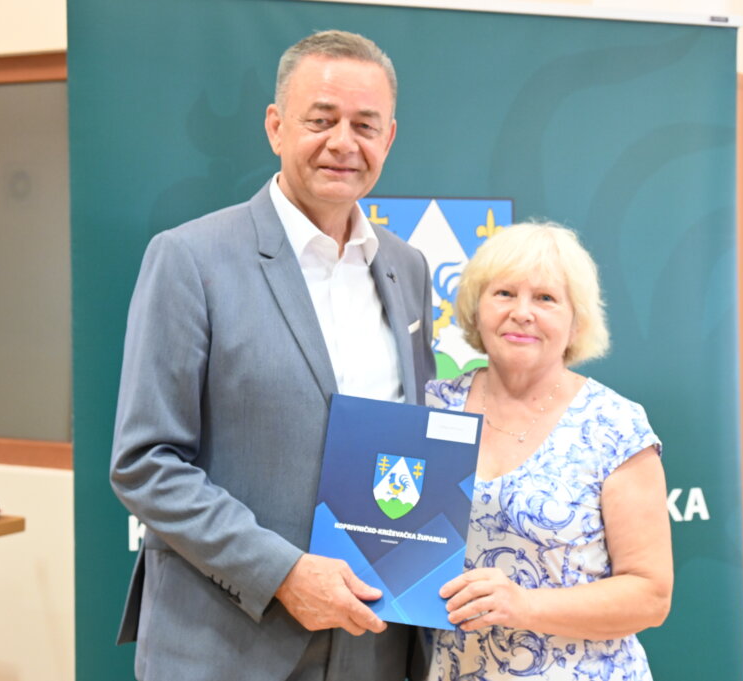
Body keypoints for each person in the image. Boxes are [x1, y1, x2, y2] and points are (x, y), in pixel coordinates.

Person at [110, 30, 436, 681]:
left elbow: (412, 436)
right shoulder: (190, 259)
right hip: (228, 644)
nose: (344, 142)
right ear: (275, 126)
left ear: (390, 138)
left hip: (373, 639)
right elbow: (145, 462)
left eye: (365, 125)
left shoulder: (407, 267)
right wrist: (283, 573)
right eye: (321, 120)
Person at [422, 222, 672, 681]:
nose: (522, 313)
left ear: (576, 322)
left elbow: (650, 596)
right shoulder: (430, 407)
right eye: (503, 294)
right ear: (476, 308)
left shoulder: (614, 425)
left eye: (545, 298)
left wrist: (524, 605)